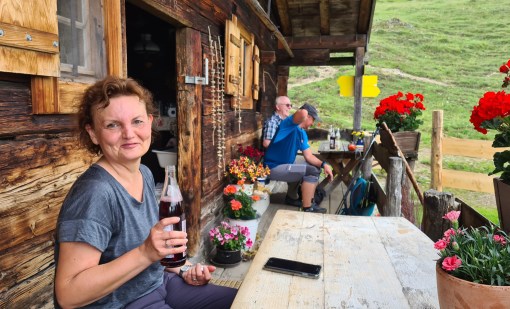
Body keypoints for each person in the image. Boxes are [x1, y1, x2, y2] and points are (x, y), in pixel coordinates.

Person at [54, 76, 236, 308]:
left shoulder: (144, 173)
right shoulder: (95, 192)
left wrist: (185, 269)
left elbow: (154, 250)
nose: (129, 133)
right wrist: (145, 253)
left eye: (137, 121)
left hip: (159, 283)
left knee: (245, 300)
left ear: (150, 122)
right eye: (113, 125)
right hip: (123, 303)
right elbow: (68, 295)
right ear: (92, 133)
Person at [263, 103, 334, 213]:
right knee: (311, 170)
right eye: (313, 120)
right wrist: (305, 111)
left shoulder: (302, 134)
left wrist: (324, 164)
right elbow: (302, 113)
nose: (312, 124)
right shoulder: (288, 124)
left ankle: (293, 198)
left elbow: (309, 156)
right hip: (272, 168)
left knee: (314, 167)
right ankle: (308, 207)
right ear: (308, 117)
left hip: (286, 166)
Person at [262, 96, 302, 206]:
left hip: (283, 160)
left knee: (303, 164)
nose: (289, 108)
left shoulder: (285, 122)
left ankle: (295, 194)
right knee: (302, 168)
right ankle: (292, 197)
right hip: (275, 163)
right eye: (287, 105)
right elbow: (266, 143)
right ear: (277, 107)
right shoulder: (273, 122)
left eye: (290, 105)